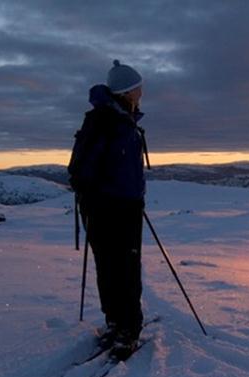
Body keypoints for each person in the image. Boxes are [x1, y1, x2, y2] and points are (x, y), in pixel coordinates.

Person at [67, 60, 148, 360]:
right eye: (138, 88)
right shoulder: (115, 123)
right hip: (120, 208)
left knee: (109, 266)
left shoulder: (104, 119)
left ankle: (115, 322)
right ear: (127, 91)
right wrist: (131, 196)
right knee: (125, 268)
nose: (141, 92)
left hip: (99, 207)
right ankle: (128, 329)